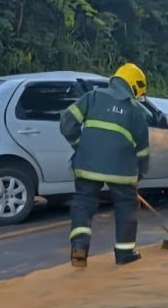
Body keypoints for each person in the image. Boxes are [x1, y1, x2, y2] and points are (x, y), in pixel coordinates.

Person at [59, 63, 150, 268]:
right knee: (126, 205)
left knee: (83, 203)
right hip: (122, 171)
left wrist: (79, 144)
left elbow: (66, 123)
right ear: (134, 87)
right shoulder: (136, 112)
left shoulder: (92, 97)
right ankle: (125, 253)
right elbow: (143, 152)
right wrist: (139, 176)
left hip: (87, 164)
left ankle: (79, 247)